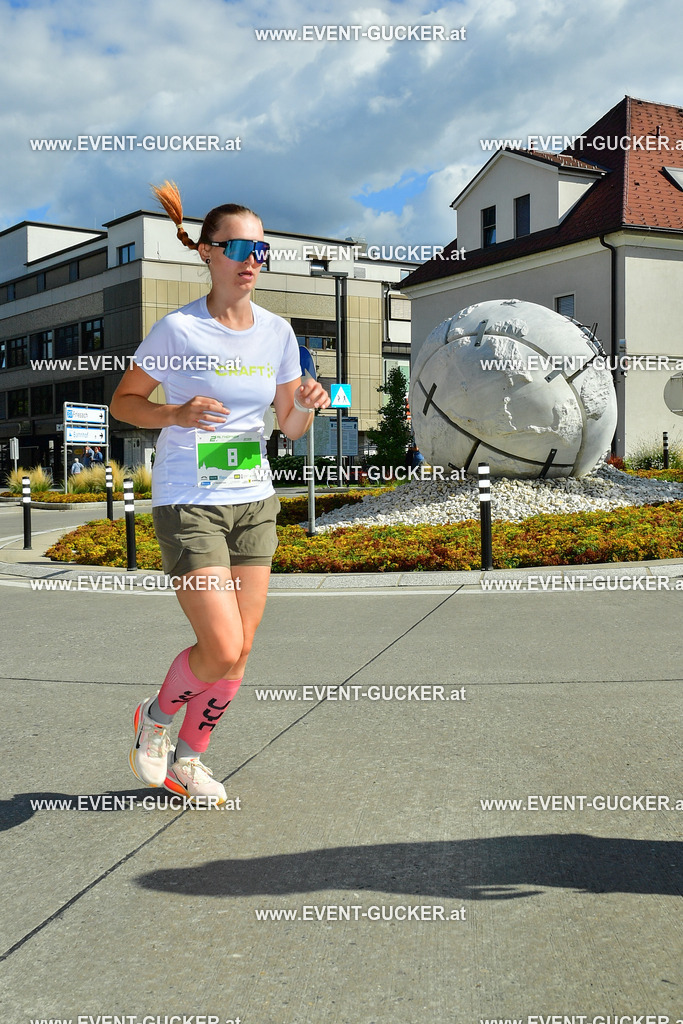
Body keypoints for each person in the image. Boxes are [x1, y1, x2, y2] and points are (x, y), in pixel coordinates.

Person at [110, 181, 330, 805]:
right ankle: (154, 717)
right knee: (221, 643)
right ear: (207, 252)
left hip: (254, 500)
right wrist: (175, 414)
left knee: (241, 651)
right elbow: (125, 403)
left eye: (262, 250)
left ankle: (189, 759)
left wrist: (309, 403)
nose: (252, 260)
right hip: (189, 501)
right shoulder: (179, 331)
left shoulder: (278, 334)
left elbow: (288, 425)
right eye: (238, 247)